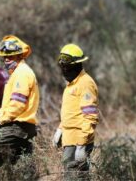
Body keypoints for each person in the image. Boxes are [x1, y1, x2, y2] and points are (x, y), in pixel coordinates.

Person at [0, 35, 40, 177]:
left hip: (18, 126)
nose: (7, 59)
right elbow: (12, 104)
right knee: (22, 168)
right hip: (23, 126)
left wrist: (0, 119)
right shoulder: (17, 73)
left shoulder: (22, 73)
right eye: (4, 56)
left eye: (11, 56)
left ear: (19, 55)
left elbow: (18, 105)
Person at [52, 44, 99, 180]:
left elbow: (90, 116)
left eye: (67, 67)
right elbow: (72, 112)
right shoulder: (72, 84)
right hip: (69, 138)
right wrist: (60, 129)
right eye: (62, 67)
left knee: (75, 177)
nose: (64, 70)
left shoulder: (85, 83)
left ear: (77, 65)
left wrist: (82, 144)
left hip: (78, 140)